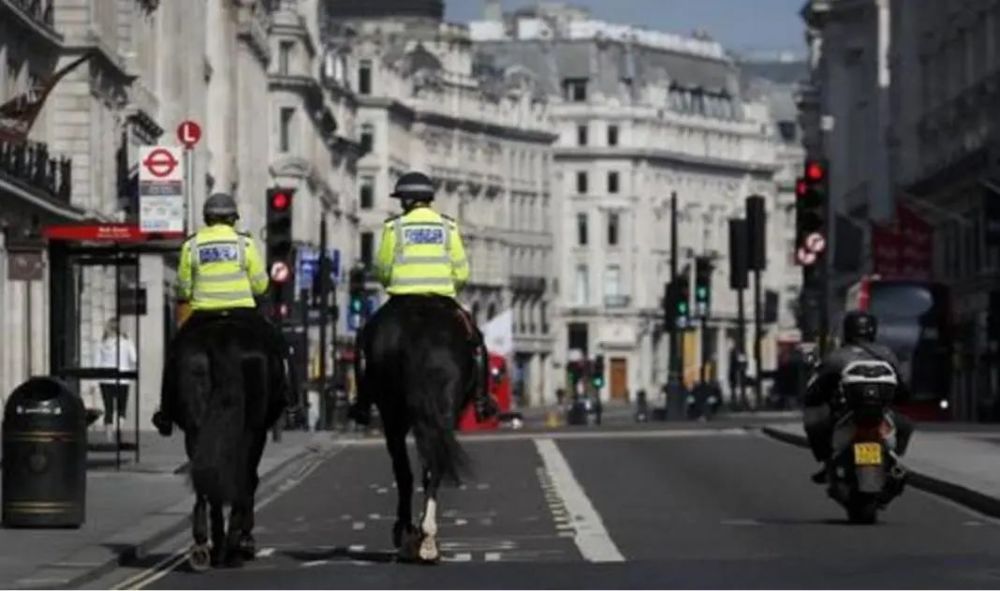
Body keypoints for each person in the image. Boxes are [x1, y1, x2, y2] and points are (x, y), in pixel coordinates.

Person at [346, 171, 498, 426]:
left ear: (405, 201)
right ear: (429, 198)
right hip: (441, 298)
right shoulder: (448, 226)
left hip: (402, 298)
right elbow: (461, 270)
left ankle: (362, 403)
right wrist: (449, 285)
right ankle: (482, 400)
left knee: (365, 340)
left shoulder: (394, 227)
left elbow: (383, 267)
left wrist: (391, 282)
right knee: (476, 341)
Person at [152, 193, 292, 436]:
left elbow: (183, 287)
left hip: (204, 313)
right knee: (279, 347)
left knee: (175, 354)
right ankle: (291, 399)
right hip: (242, 311)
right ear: (232, 219)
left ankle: (165, 413)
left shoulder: (191, 245)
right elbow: (260, 285)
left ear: (207, 219)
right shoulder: (245, 244)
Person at [803, 310, 914, 484]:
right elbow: (902, 389)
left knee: (814, 426)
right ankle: (895, 461)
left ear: (847, 330)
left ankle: (827, 465)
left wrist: (813, 399)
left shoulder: (837, 356)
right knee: (906, 425)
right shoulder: (886, 354)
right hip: (880, 415)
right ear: (873, 330)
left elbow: (819, 387)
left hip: (848, 414)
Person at [94, 318, 137, 443]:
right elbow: (134, 359)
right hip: (122, 379)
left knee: (108, 409)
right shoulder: (126, 342)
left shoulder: (101, 343)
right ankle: (119, 430)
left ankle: (109, 437)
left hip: (105, 379)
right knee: (121, 408)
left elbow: (96, 363)